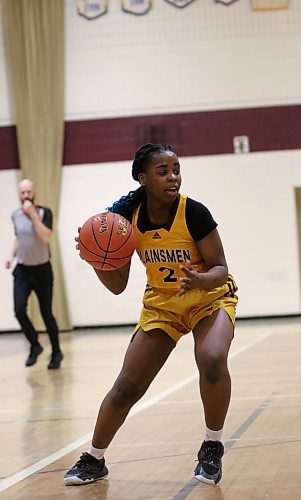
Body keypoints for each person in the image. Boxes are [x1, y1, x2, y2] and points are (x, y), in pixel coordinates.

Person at [64, 143, 238, 486]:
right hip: (163, 306)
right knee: (127, 385)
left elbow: (220, 267)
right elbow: (117, 285)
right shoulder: (125, 222)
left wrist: (199, 279)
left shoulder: (194, 213)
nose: (173, 178)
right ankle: (95, 459)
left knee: (213, 358)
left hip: (209, 299)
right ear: (143, 178)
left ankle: (212, 447)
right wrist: (95, 258)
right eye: (163, 172)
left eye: (176, 170)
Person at [5, 179, 63, 370]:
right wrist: (10, 256)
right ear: (19, 194)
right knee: (19, 310)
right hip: (22, 270)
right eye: (23, 192)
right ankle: (35, 345)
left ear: (34, 192)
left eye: (29, 191)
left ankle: (56, 352)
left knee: (46, 313)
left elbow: (46, 237)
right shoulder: (14, 215)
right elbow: (19, 238)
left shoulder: (43, 212)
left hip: (42, 270)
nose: (26, 195)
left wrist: (33, 216)